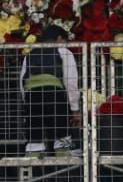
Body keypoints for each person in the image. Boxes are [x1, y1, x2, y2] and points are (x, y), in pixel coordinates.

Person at [20, 25, 81, 153]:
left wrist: (27, 102)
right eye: (65, 42)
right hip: (54, 96)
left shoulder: (29, 55)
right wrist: (75, 109)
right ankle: (64, 164)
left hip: (32, 96)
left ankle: (34, 164)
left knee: (34, 137)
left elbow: (22, 82)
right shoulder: (64, 52)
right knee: (61, 135)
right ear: (59, 38)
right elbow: (71, 82)